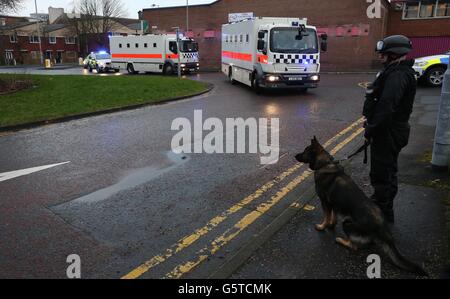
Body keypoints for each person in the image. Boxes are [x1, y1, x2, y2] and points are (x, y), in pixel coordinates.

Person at [363, 35, 417, 223]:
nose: (380, 57)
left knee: (382, 173)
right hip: (389, 130)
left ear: (394, 54)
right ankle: (382, 206)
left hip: (389, 132)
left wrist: (371, 128)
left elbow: (387, 106)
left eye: (383, 54)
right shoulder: (393, 71)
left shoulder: (398, 75)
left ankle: (382, 215)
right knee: (386, 170)